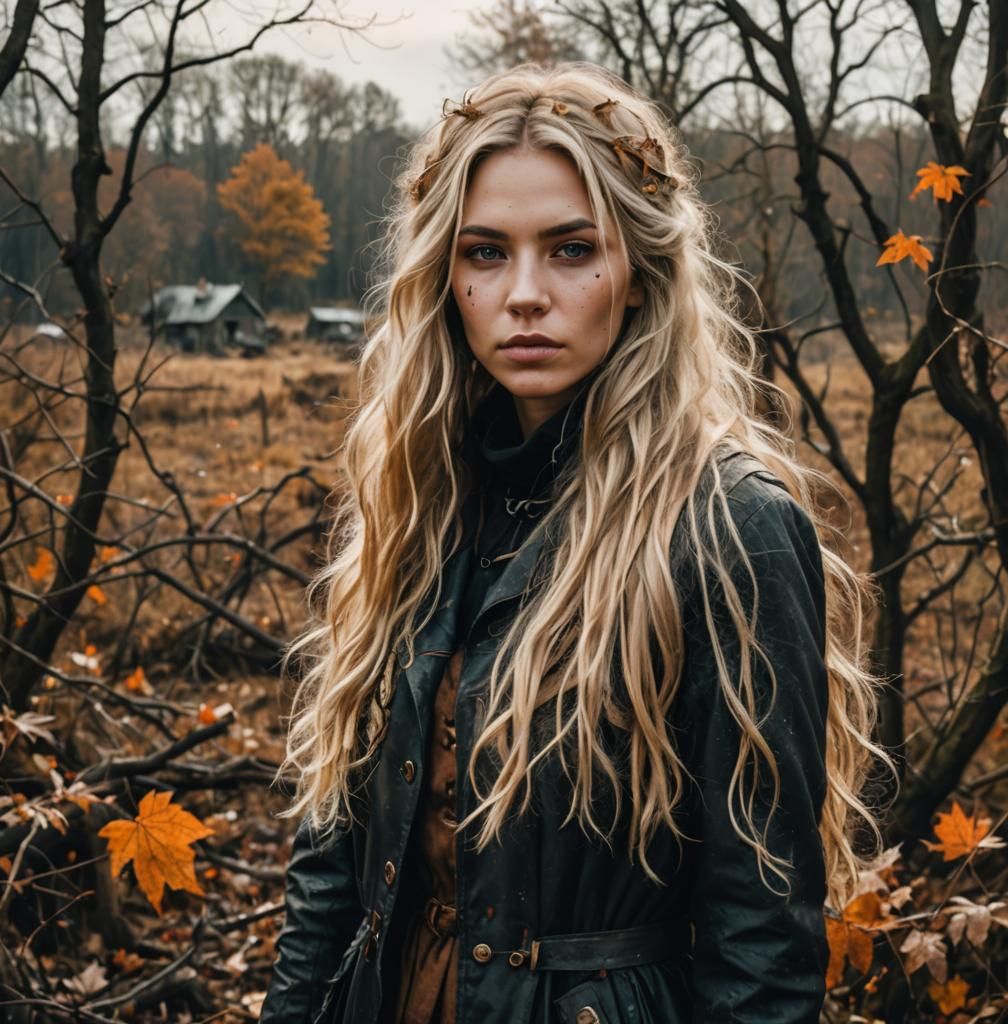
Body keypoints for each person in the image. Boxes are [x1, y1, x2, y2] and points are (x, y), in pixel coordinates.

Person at [259, 61, 892, 1024]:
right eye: (483, 253)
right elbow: (332, 863)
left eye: (569, 249)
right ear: (445, 279)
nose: (522, 294)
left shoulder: (728, 523)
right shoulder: (423, 504)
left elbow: (762, 939)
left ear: (638, 273)